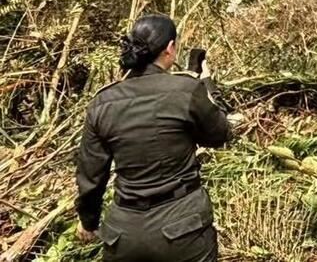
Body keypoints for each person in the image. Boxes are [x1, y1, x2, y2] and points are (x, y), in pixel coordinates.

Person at [75, 14, 232, 261]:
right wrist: (207, 85)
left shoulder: (102, 103)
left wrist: (88, 220)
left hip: (124, 235)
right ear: (169, 48)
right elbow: (220, 135)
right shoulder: (186, 90)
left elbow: (91, 174)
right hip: (184, 228)